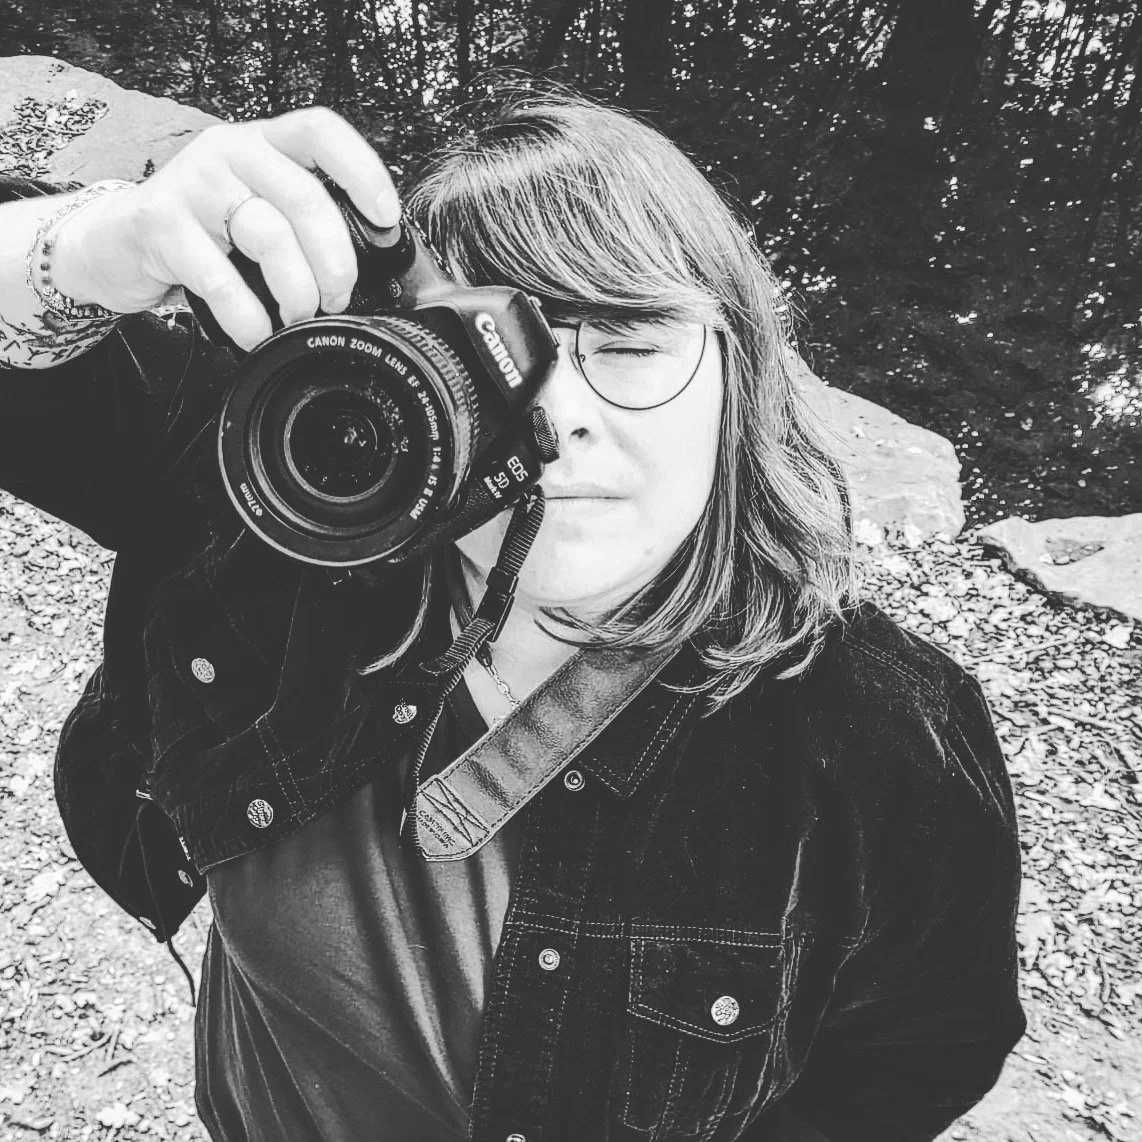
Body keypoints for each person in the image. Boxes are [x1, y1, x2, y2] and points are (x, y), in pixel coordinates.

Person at [0, 87, 1024, 1142]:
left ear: (737, 374)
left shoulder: (885, 740)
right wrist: (87, 247)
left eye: (624, 341)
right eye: (487, 348)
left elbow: (920, 1047)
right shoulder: (272, 508)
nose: (556, 417)